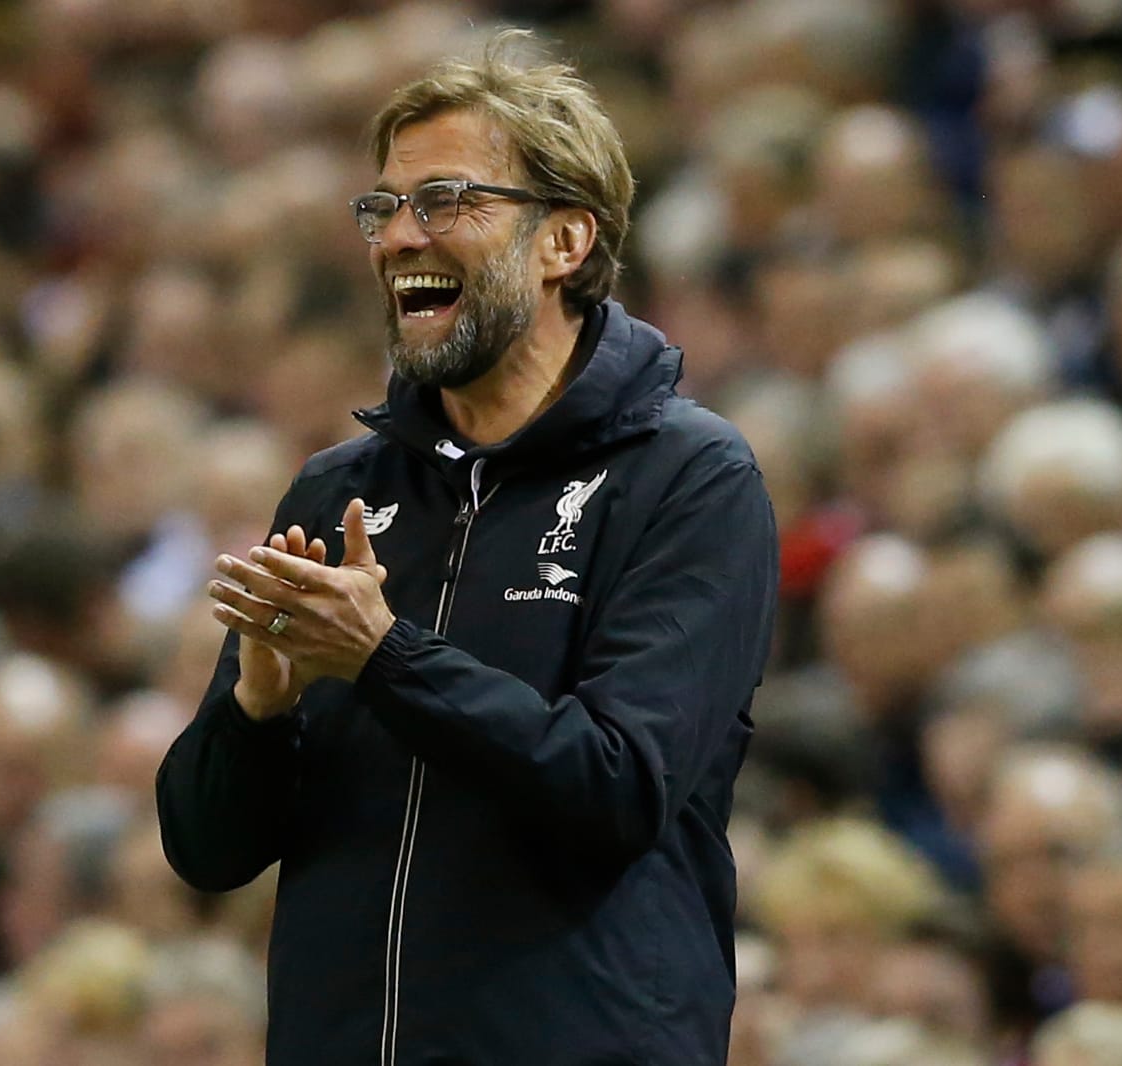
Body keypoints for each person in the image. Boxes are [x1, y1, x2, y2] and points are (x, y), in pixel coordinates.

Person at [157, 30, 778, 1066]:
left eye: (446, 201)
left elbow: (618, 789)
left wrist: (383, 657)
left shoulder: (688, 477)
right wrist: (254, 712)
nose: (400, 237)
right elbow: (208, 853)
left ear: (564, 241)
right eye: (384, 207)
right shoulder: (341, 490)